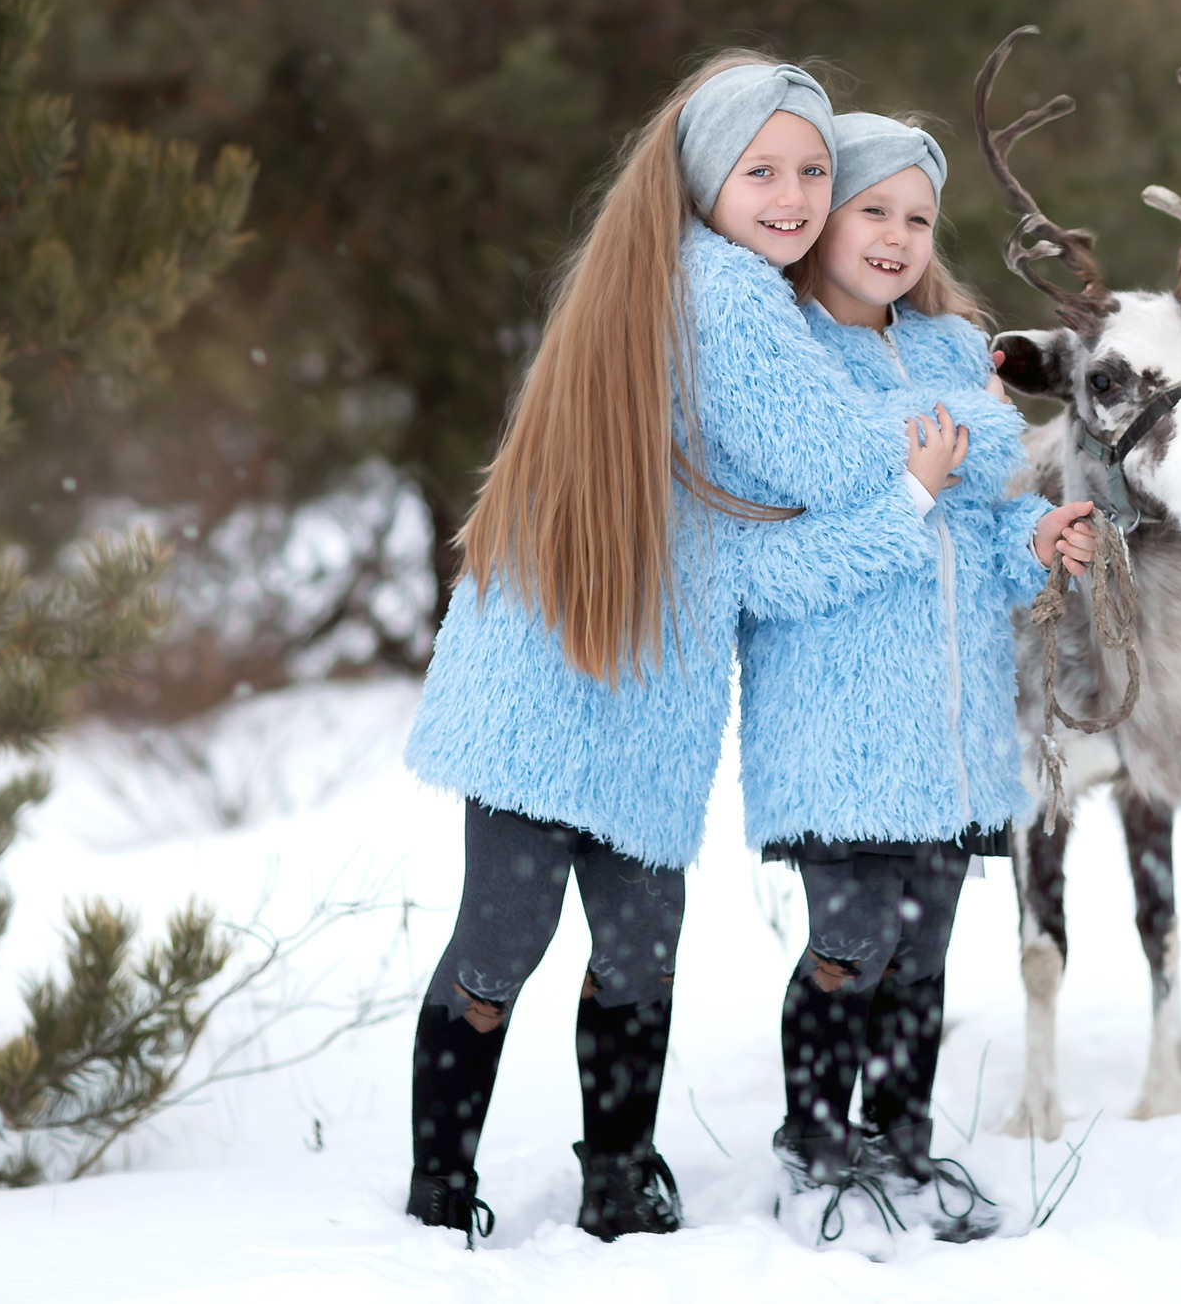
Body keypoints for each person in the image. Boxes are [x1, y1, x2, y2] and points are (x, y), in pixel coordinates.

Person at [400, 62, 967, 1245]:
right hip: (561, 672)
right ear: (707, 180)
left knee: (615, 944)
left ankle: (612, 1175)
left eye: (813, 170)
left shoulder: (688, 283)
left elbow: (753, 565)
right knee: (534, 941)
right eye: (762, 170)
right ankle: (443, 1196)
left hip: (645, 675)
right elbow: (820, 454)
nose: (794, 194)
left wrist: (910, 509)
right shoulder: (724, 291)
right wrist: (958, 429)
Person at [737, 112, 1098, 1244]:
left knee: (925, 948)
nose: (895, 235)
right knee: (851, 944)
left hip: (948, 728)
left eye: (916, 217)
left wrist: (1034, 538)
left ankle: (901, 1138)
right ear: (821, 218)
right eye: (870, 209)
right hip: (837, 721)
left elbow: (977, 542)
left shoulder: (948, 354)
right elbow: (769, 573)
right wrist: (912, 488)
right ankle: (813, 1146)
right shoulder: (783, 357)